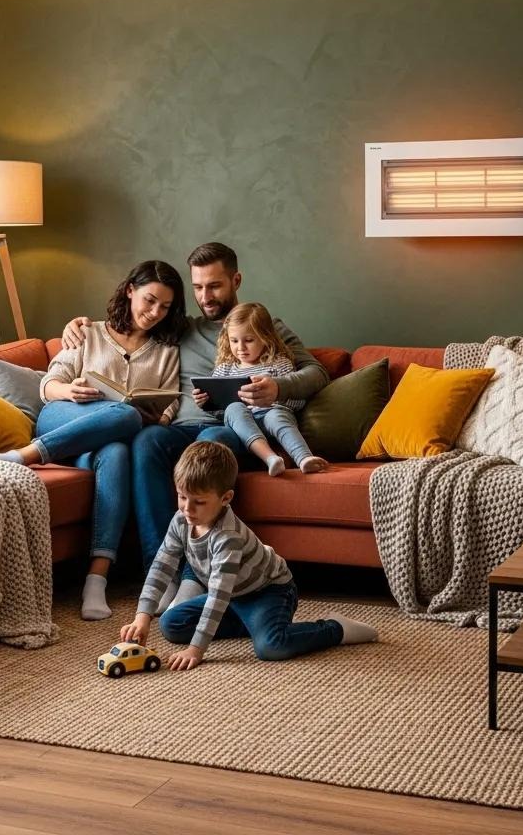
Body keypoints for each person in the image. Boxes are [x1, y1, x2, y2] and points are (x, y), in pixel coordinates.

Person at [62, 242, 328, 576]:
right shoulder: (180, 327)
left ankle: (196, 574)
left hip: (232, 430)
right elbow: (128, 322)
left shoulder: (262, 325)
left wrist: (278, 387)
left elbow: (317, 372)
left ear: (236, 280)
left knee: (210, 444)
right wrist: (79, 325)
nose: (206, 297)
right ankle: (160, 572)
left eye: (215, 286)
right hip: (178, 429)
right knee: (146, 442)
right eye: (199, 287)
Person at [0, 260, 187, 621]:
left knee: (118, 451)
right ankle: (23, 456)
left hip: (101, 443)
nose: (155, 313)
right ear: (130, 291)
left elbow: (169, 401)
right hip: (61, 420)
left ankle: (96, 579)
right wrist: (68, 390)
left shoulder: (166, 350)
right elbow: (48, 384)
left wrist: (160, 416)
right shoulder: (87, 332)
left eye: (165, 307)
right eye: (150, 300)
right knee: (124, 415)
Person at [119, 442, 377, 670]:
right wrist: (142, 617)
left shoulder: (227, 537)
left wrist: (196, 649)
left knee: (271, 647)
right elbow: (162, 564)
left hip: (269, 591)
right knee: (171, 625)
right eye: (182, 497)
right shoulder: (181, 520)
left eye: (198, 501)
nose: (187, 508)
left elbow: (218, 596)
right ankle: (253, 624)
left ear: (226, 498)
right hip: (232, 596)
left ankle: (335, 628)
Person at [200, 302, 328, 476]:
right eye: (234, 340)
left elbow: (297, 401)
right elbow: (221, 411)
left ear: (265, 337)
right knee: (234, 408)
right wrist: (206, 402)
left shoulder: (278, 364)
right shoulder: (225, 369)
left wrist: (276, 395)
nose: (240, 348)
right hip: (242, 423)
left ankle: (304, 458)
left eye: (249, 340)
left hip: (272, 414)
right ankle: (270, 458)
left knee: (276, 416)